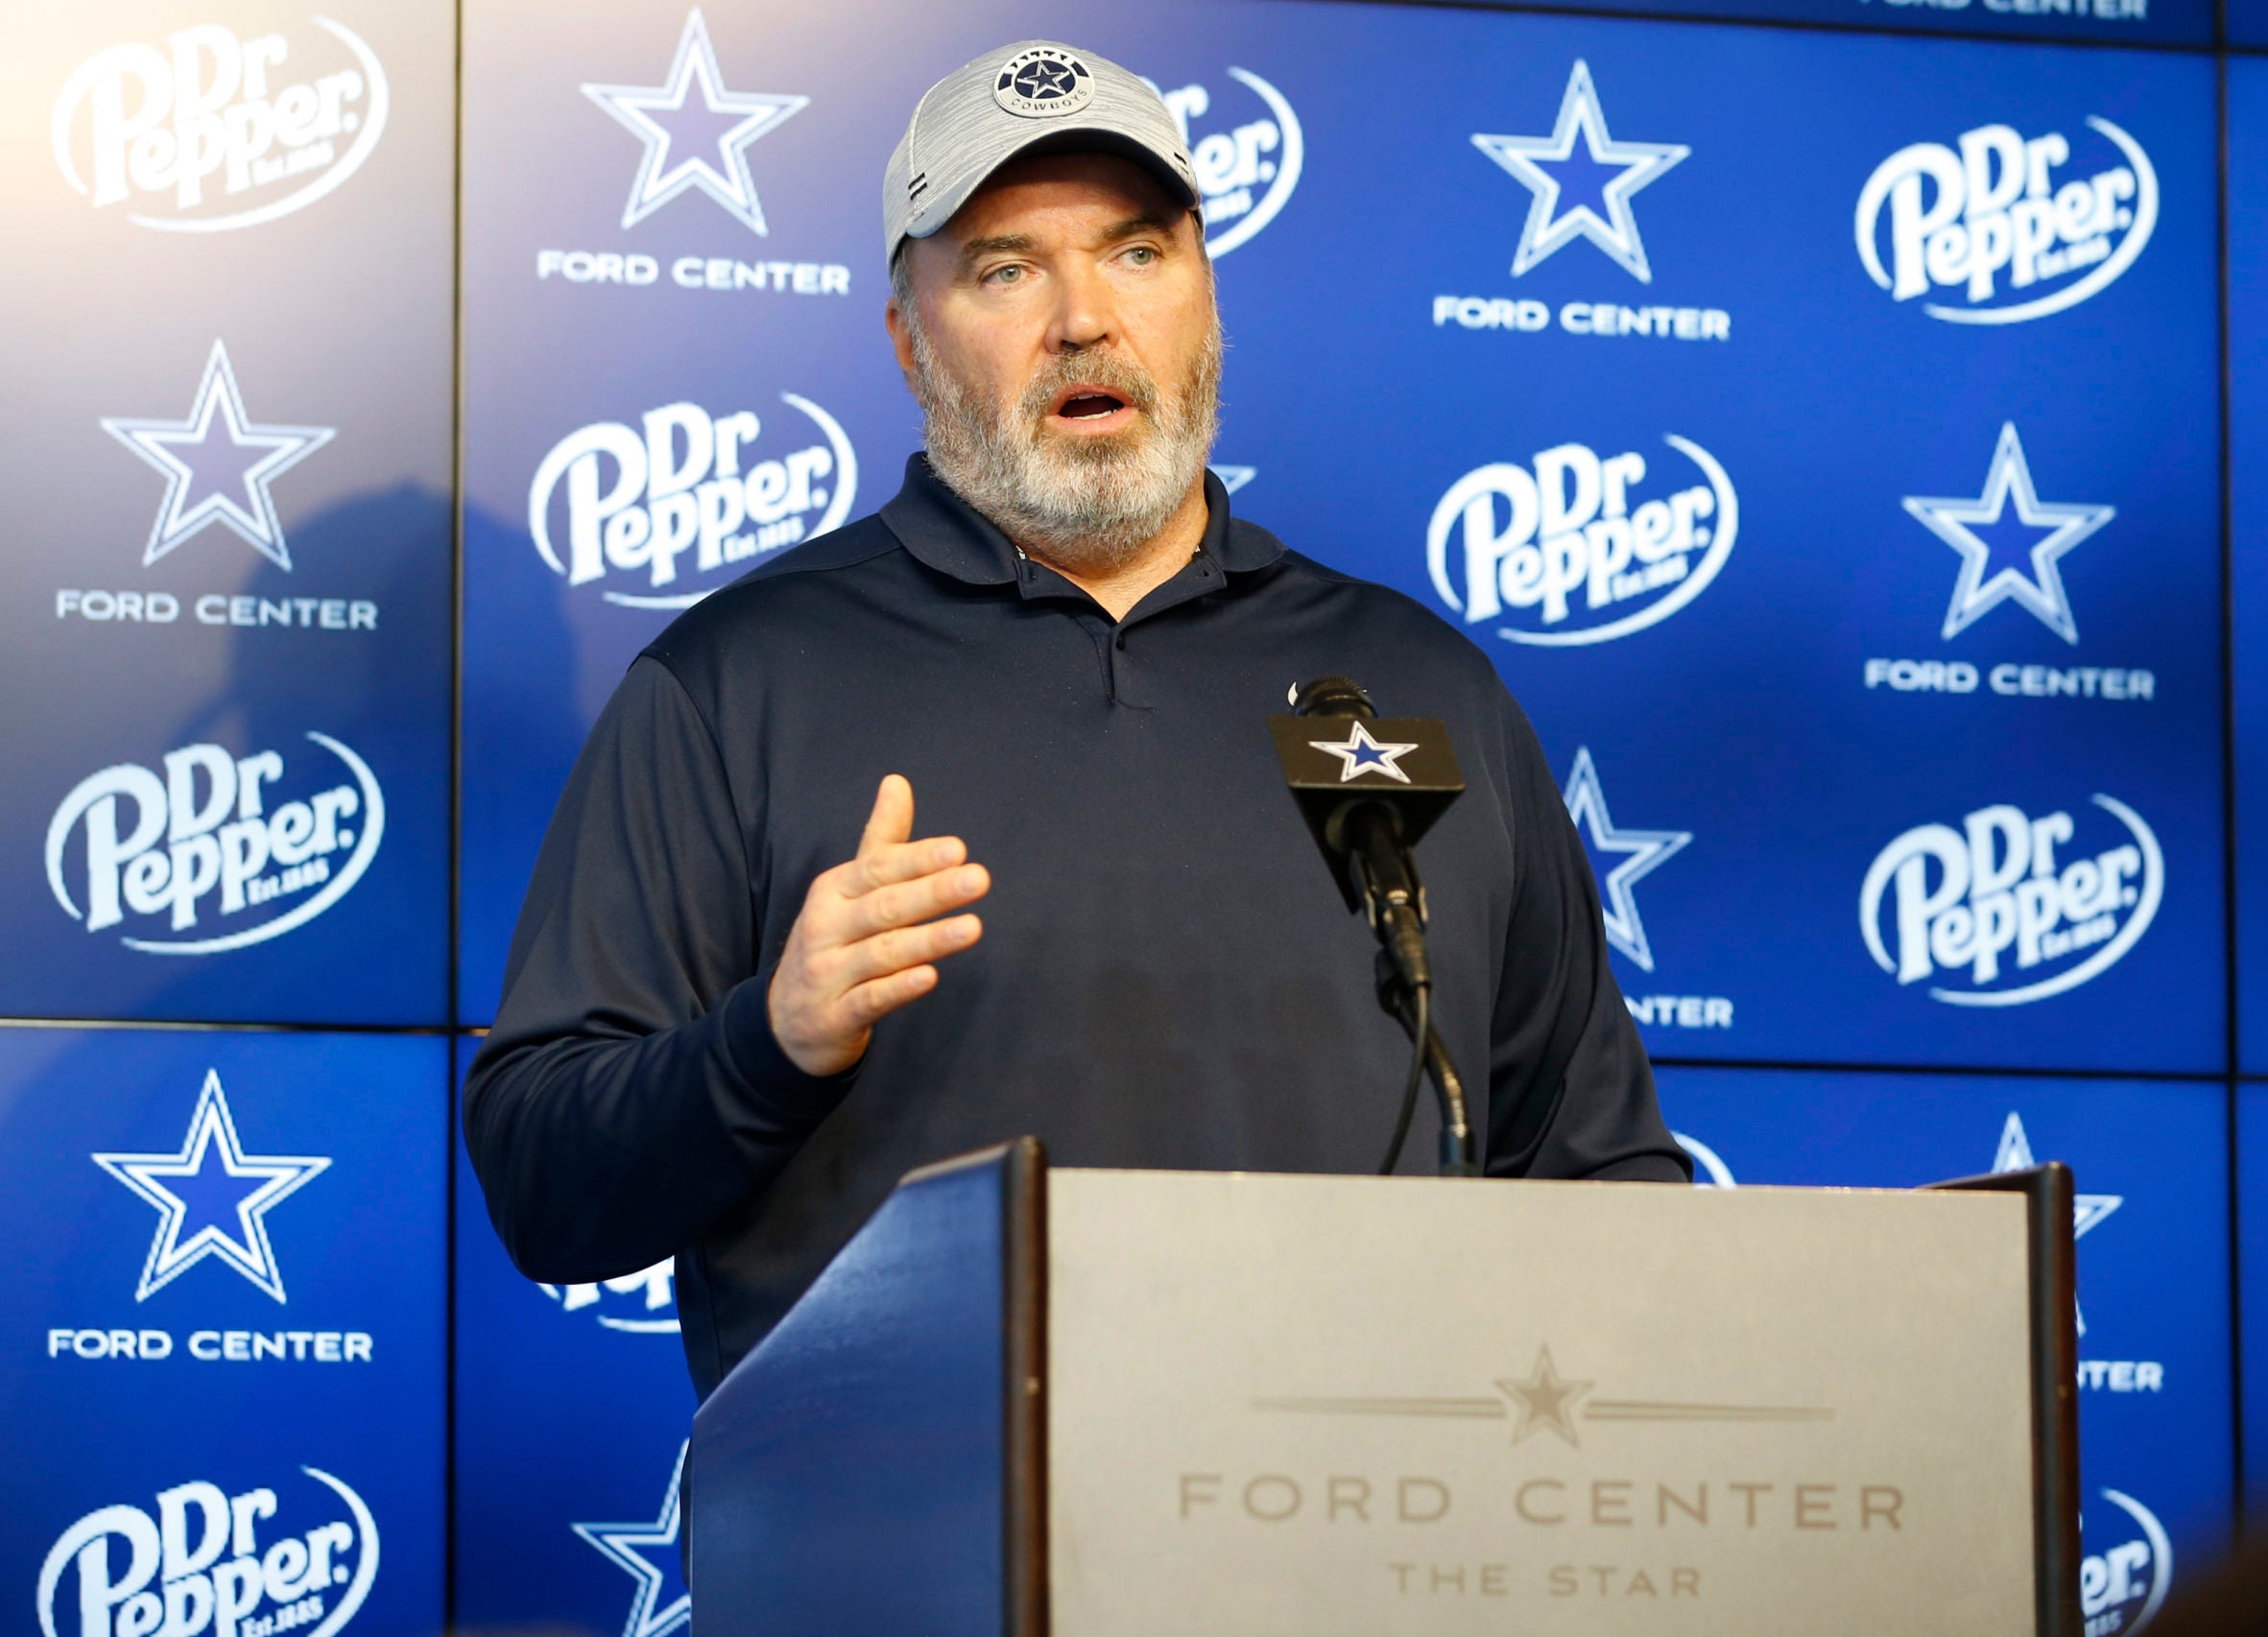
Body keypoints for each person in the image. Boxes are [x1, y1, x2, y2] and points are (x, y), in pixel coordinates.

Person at [464, 38, 1688, 1403]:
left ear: (1205, 299)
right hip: (905, 1570)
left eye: (1137, 253)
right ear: (905, 336)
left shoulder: (1416, 687)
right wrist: (769, 1041)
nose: (1083, 319)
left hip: (1356, 1548)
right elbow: (541, 1180)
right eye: (1005, 269)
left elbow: (1603, 1183)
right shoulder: (735, 684)